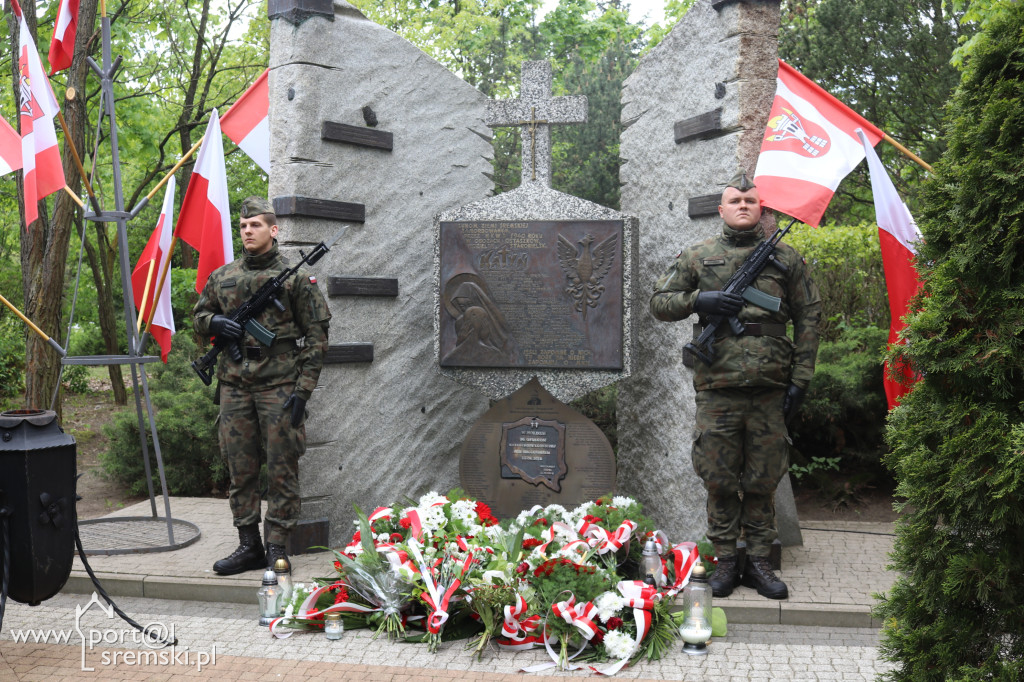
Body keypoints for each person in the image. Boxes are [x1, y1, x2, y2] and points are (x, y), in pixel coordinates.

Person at [649, 172, 821, 600]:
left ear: (761, 208)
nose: (743, 205)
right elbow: (659, 303)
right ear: (721, 209)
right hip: (718, 389)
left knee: (764, 478)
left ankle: (760, 561)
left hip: (770, 390)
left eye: (750, 199)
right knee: (719, 478)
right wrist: (698, 301)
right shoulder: (698, 255)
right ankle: (726, 560)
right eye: (735, 200)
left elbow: (810, 316)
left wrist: (801, 378)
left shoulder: (786, 257)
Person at [193, 197, 331, 575]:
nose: (248, 231)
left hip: (280, 386)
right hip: (235, 384)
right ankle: (248, 545)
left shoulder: (296, 278)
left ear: (274, 230)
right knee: (240, 468)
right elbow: (199, 316)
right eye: (243, 226)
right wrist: (216, 325)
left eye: (255, 225)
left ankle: (277, 547)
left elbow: (317, 338)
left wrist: (303, 391)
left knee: (282, 467)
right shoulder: (222, 276)